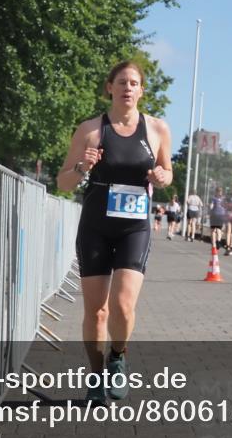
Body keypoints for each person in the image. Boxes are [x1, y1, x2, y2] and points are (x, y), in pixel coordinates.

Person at [57, 60, 172, 406]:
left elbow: (166, 170)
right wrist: (82, 167)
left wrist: (164, 178)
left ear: (142, 90)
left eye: (134, 83)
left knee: (122, 305)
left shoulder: (156, 129)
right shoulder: (90, 130)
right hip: (95, 226)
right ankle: (95, 377)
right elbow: (63, 183)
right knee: (97, 312)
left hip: (133, 227)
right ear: (109, 87)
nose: (128, 88)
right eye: (121, 82)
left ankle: (117, 357)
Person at [209, 186, 226, 251]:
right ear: (221, 192)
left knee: (213, 230)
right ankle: (218, 242)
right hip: (221, 215)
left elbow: (211, 206)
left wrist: (210, 208)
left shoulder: (213, 198)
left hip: (214, 215)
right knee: (219, 230)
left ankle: (213, 245)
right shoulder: (224, 199)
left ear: (216, 192)